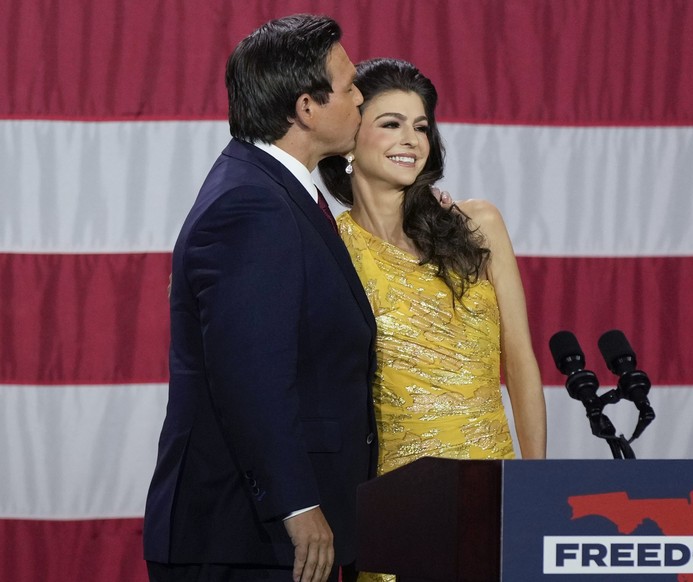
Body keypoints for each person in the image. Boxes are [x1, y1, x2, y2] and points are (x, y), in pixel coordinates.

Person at [143, 15, 377, 582]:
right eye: (349, 87)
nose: (360, 97)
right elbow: (252, 373)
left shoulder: (273, 193)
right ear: (305, 108)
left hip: (270, 536)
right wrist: (296, 505)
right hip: (250, 538)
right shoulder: (252, 206)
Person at [319, 58, 547, 581]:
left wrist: (538, 488)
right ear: (352, 139)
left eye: (421, 126)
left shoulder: (476, 224)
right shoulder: (329, 245)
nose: (412, 139)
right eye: (391, 123)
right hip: (397, 499)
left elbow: (522, 364)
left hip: (496, 487)